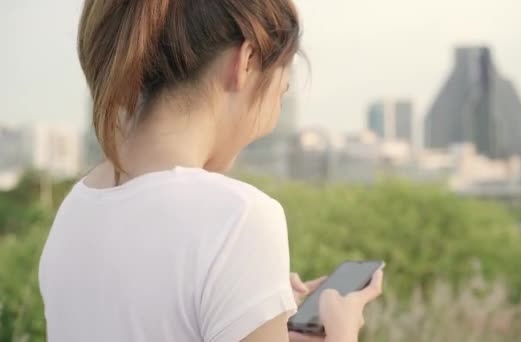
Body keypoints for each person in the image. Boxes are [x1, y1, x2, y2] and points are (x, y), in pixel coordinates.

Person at [38, 0, 383, 341]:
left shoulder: (77, 205)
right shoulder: (240, 217)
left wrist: (245, 314)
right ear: (246, 62)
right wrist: (343, 333)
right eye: (283, 90)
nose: (274, 113)